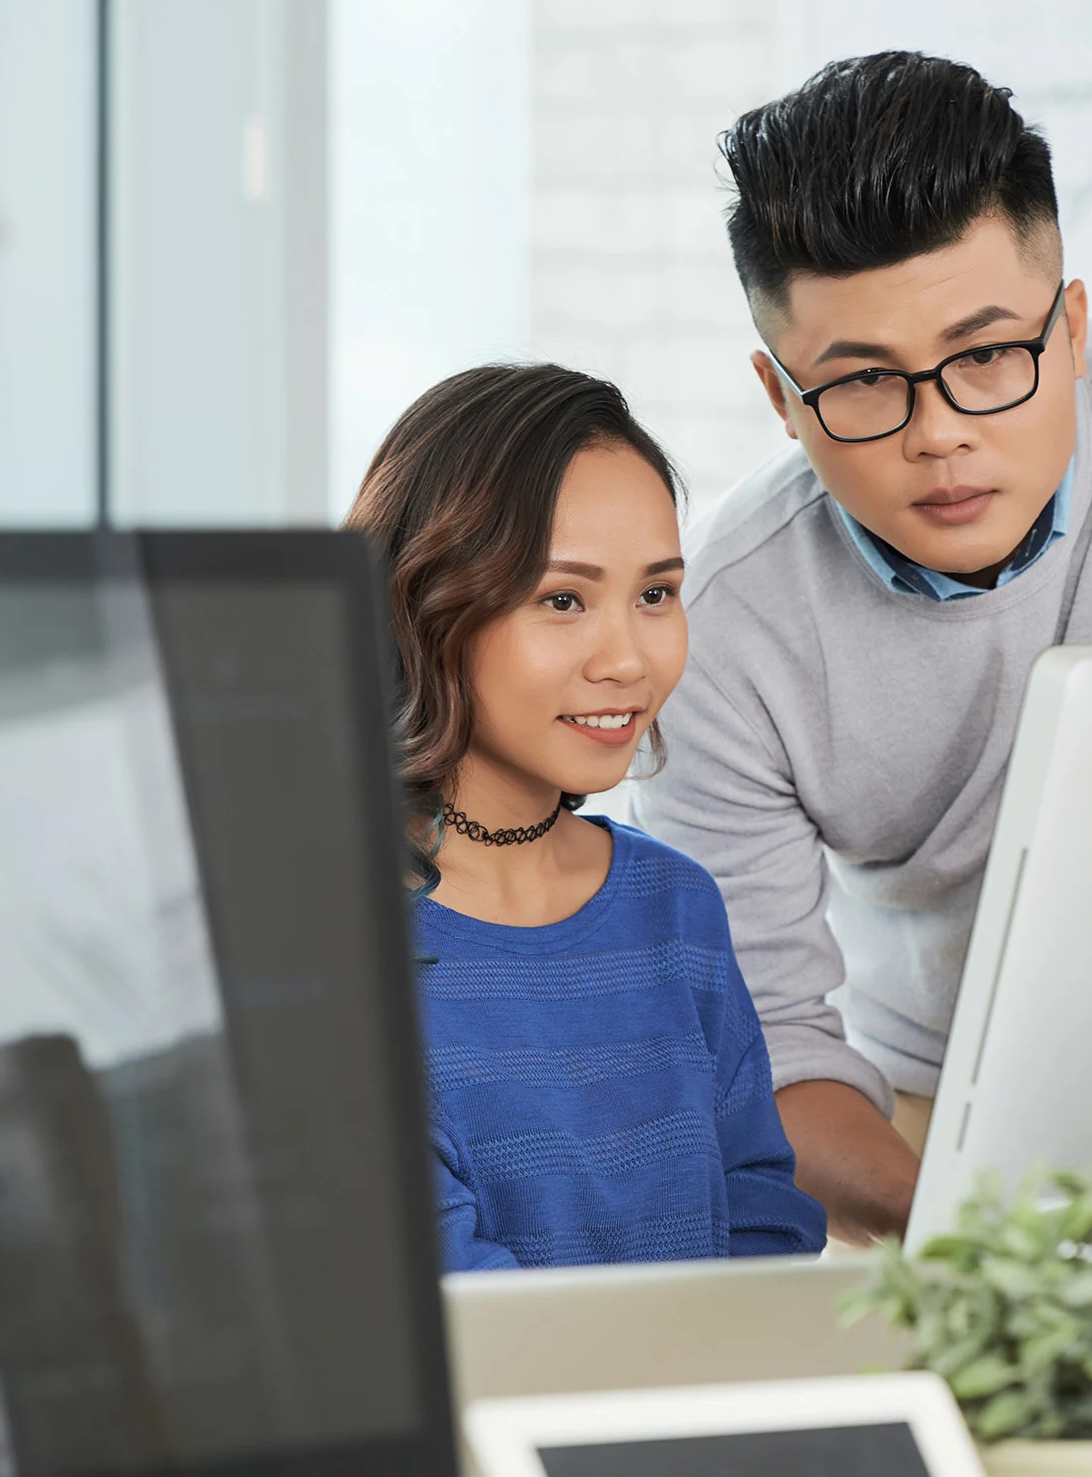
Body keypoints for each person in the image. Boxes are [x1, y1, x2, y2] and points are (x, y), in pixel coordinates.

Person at [632, 51, 1092, 1244]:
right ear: (780, 399)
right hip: (926, 1122)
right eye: (863, 383)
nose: (939, 437)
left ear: (1070, 327)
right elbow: (768, 1053)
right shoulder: (718, 622)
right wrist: (996, 1244)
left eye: (985, 358)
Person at [347, 362, 827, 1272]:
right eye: (562, 600)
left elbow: (767, 1219)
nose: (628, 659)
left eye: (656, 594)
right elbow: (448, 1300)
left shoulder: (675, 905)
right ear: (425, 605)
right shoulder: (334, 942)